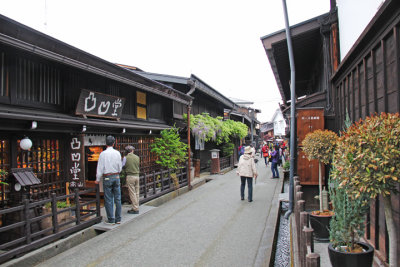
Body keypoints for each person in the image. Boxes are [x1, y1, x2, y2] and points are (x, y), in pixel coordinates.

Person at [96, 136, 122, 225]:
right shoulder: (117, 153)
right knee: (118, 198)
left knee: (108, 198)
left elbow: (100, 167)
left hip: (107, 177)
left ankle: (111, 219)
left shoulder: (103, 154)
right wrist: (118, 172)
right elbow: (120, 166)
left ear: (106, 143)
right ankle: (118, 218)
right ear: (114, 143)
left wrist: (97, 178)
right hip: (116, 176)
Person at [123, 145, 140, 214]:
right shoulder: (137, 157)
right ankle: (136, 206)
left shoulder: (125, 158)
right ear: (132, 150)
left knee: (132, 193)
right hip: (137, 175)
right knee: (137, 192)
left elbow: (122, 166)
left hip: (130, 176)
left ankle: (135, 208)